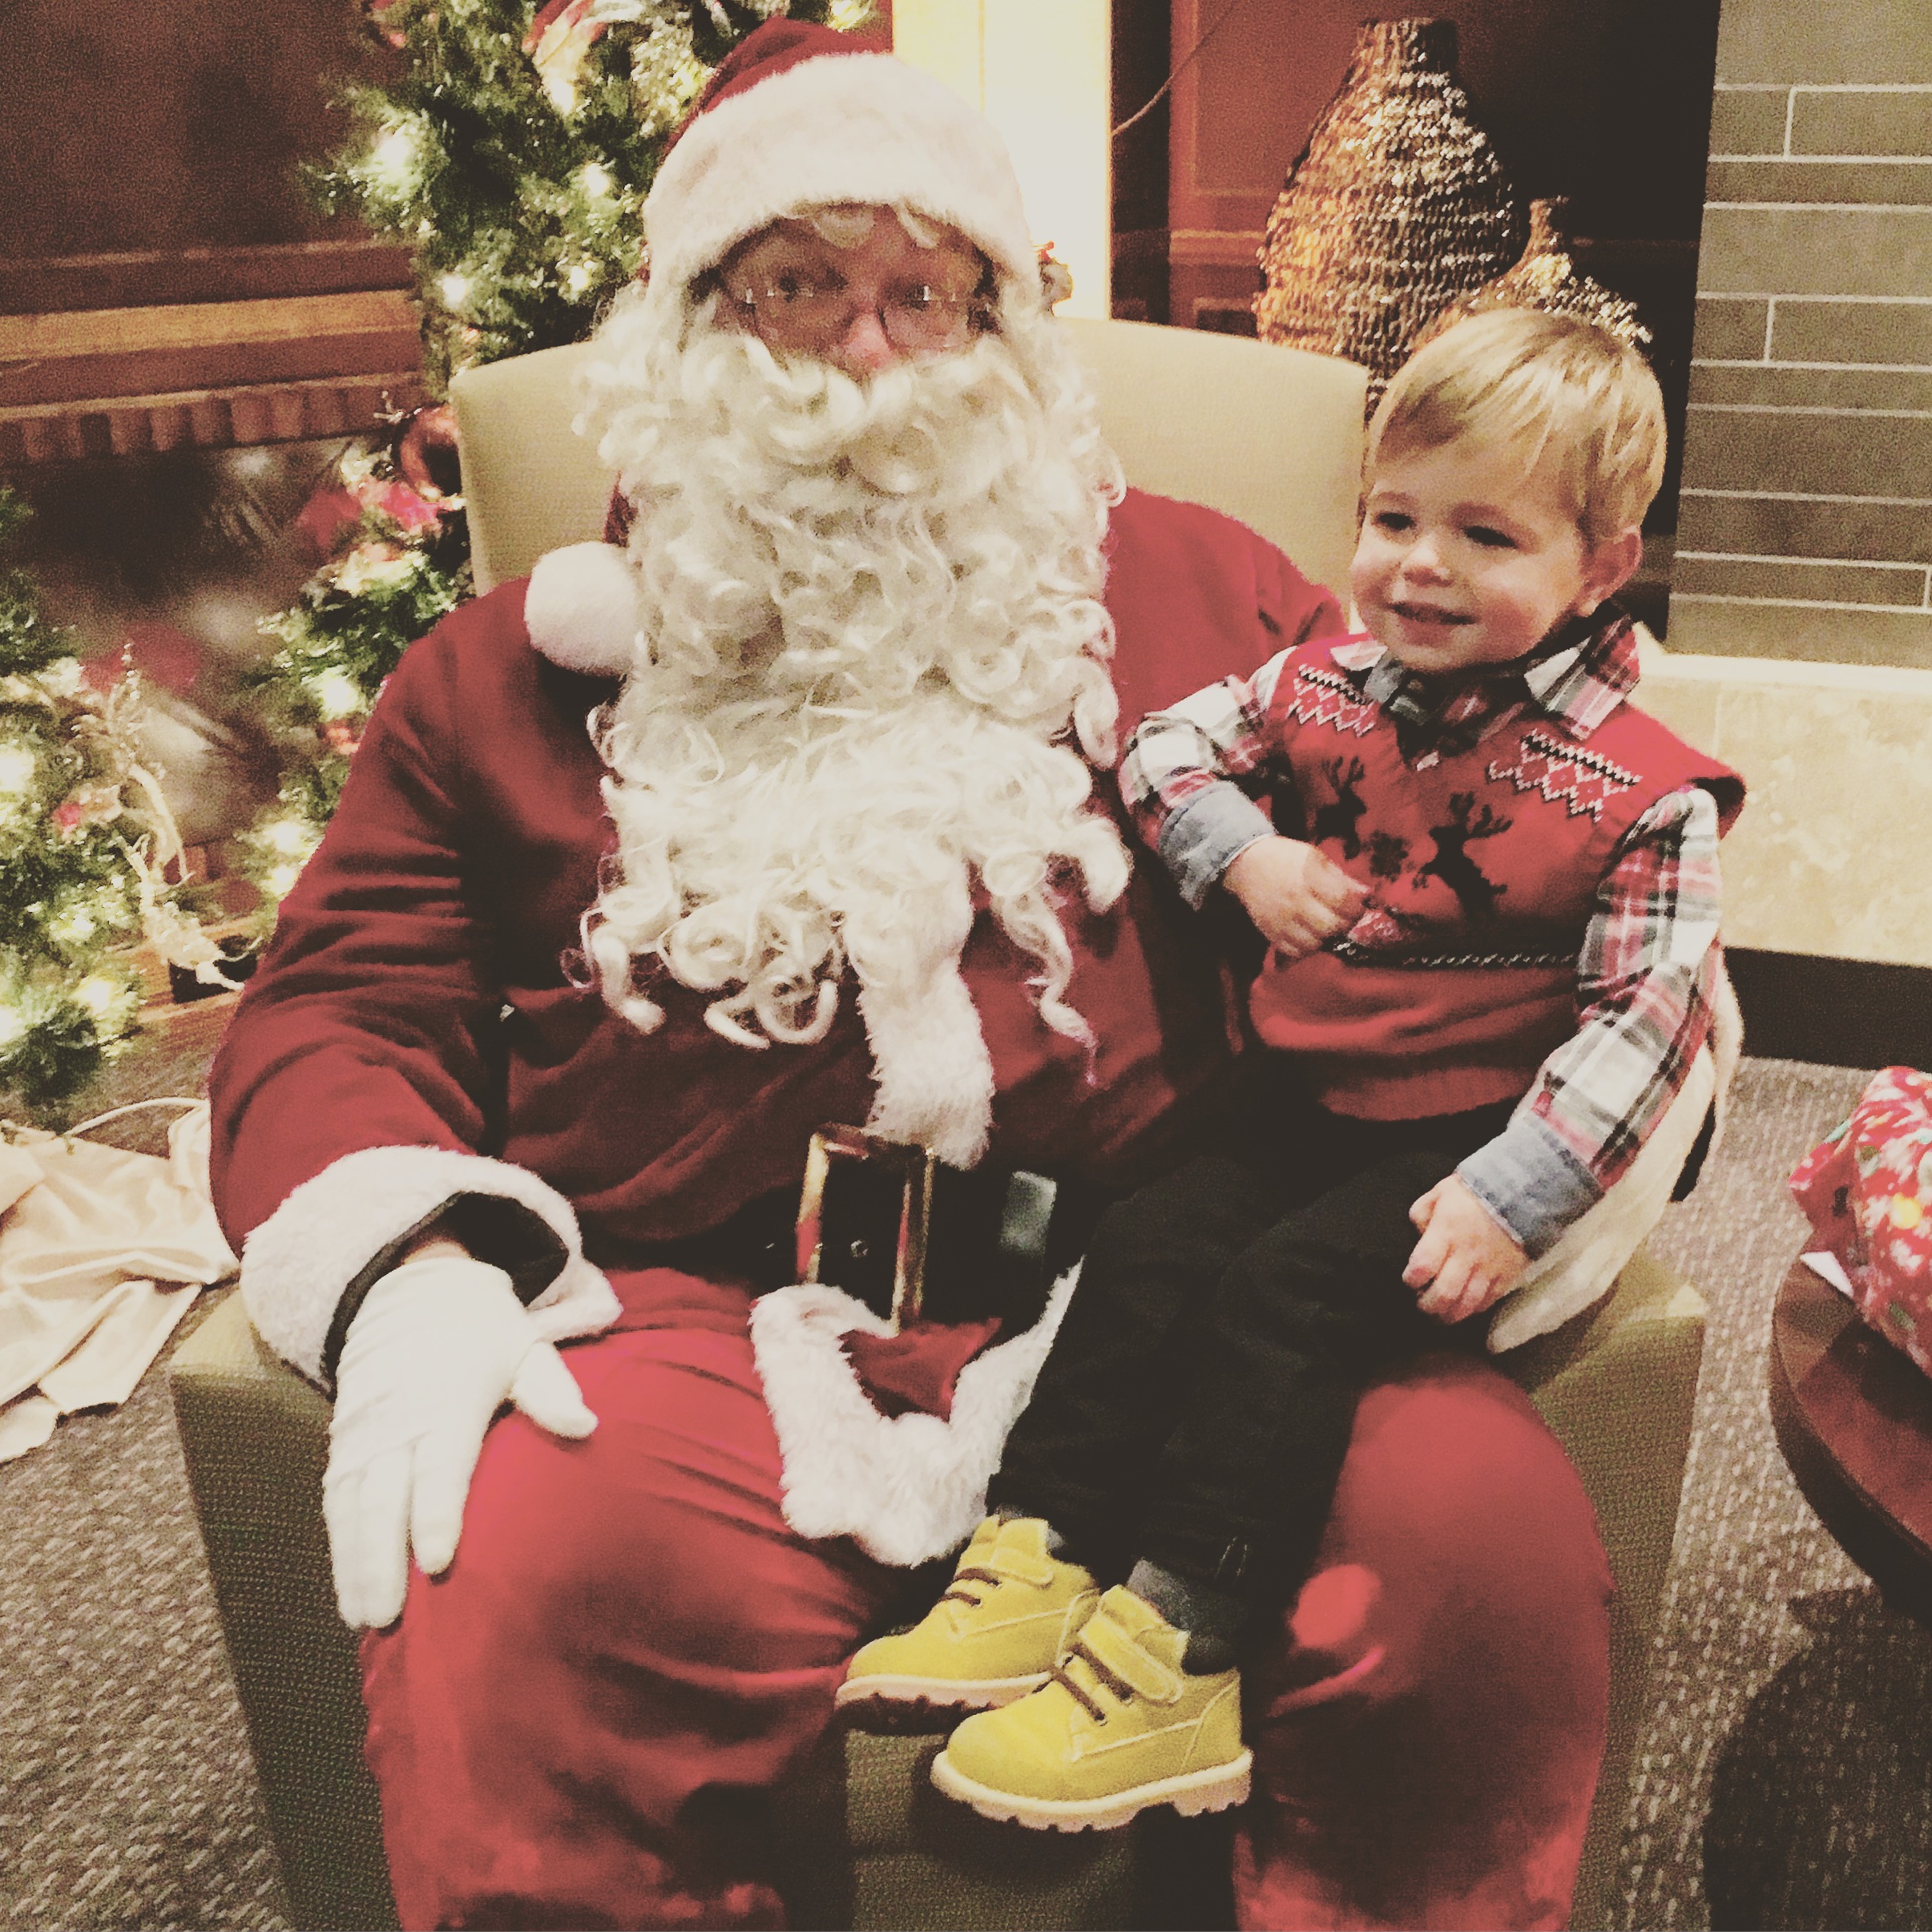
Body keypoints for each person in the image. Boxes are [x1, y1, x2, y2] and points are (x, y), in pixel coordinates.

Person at [210, 23, 1641, 1929]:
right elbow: (342, 1005)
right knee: (525, 1584)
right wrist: (413, 1266)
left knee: (1462, 1548)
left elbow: (1493, 862)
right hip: (695, 1321)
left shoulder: (1217, 602)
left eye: (924, 292)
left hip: (1180, 1291)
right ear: (691, 328)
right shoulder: (494, 685)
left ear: (1002, 327)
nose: (871, 357)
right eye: (799, 287)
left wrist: (1606, 1044)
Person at [837, 309, 1745, 1838]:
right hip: (1308, 1085)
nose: (1421, 567)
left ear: (1600, 568)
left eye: (1485, 535)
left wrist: (1513, 1197)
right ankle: (1044, 1547)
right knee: (1147, 1240)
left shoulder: (1646, 792)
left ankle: (1181, 1649)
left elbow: (1648, 1023)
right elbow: (1162, 750)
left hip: (1472, 1128)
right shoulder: (1324, 684)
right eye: (1394, 519)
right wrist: (1242, 854)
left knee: (1284, 1297)